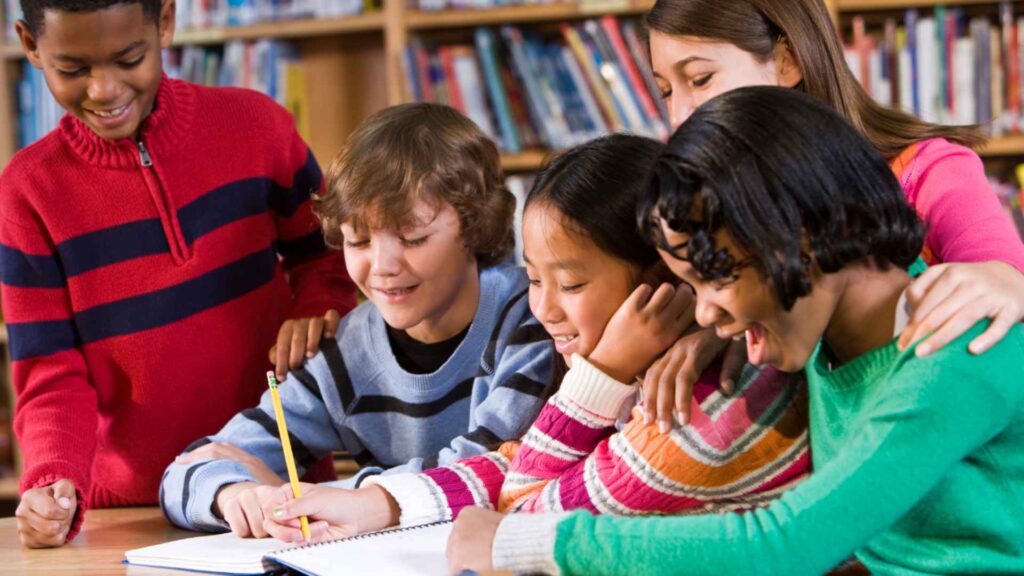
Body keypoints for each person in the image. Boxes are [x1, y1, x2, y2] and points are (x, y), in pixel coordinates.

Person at [447, 86, 1024, 576]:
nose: (702, 314)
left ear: (799, 236)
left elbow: (786, 544)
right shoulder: (821, 333)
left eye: (714, 277)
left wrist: (521, 543)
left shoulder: (955, 348)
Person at [256, 134, 808, 545]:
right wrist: (377, 503)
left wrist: (603, 373)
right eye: (535, 278)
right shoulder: (646, 385)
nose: (541, 308)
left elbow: (525, 503)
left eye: (570, 283)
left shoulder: (697, 413)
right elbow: (516, 463)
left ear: (663, 282)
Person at [0, 0, 357, 548]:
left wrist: (315, 306)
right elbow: (50, 368)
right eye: (72, 69)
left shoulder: (257, 127)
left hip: (281, 491)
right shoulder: (28, 193)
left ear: (165, 21)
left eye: (128, 58)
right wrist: (53, 477)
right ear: (29, 46)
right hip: (134, 515)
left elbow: (329, 255)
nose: (104, 89)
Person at [160, 102, 555, 537]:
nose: (381, 266)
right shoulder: (345, 352)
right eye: (358, 240)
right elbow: (186, 471)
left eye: (413, 238)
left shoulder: (535, 316)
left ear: (475, 226)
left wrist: (325, 494)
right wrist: (237, 495)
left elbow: (491, 471)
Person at [639, 0, 1024, 432]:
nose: (678, 116)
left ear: (788, 61)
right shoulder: (705, 205)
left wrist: (1005, 277)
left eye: (700, 79)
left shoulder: (930, 171)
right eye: (666, 91)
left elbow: (1004, 290)